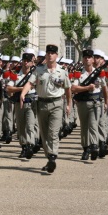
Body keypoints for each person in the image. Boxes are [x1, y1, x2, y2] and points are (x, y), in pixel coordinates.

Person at [20, 44, 71, 174]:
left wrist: (69, 104)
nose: (50, 55)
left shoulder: (62, 71)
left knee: (53, 133)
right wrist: (23, 93)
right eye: (48, 53)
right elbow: (30, 83)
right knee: (44, 134)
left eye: (52, 53)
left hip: (57, 104)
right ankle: (49, 158)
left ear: (56, 56)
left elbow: (67, 89)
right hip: (42, 104)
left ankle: (53, 157)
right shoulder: (39, 70)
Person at [71, 49, 108, 161]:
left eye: (89, 57)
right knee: (84, 127)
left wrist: (106, 101)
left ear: (93, 59)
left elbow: (104, 87)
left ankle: (94, 146)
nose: (87, 59)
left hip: (95, 102)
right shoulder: (78, 73)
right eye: (85, 57)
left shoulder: (99, 73)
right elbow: (73, 88)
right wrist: (87, 88)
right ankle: (86, 148)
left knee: (93, 125)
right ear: (83, 59)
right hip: (82, 103)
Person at [7, 49, 38, 159]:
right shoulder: (16, 75)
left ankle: (29, 146)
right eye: (24, 60)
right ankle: (24, 147)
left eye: (28, 61)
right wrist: (22, 88)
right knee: (20, 127)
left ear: (31, 62)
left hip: (31, 103)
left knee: (30, 125)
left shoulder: (35, 74)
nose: (26, 63)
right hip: (19, 104)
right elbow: (9, 88)